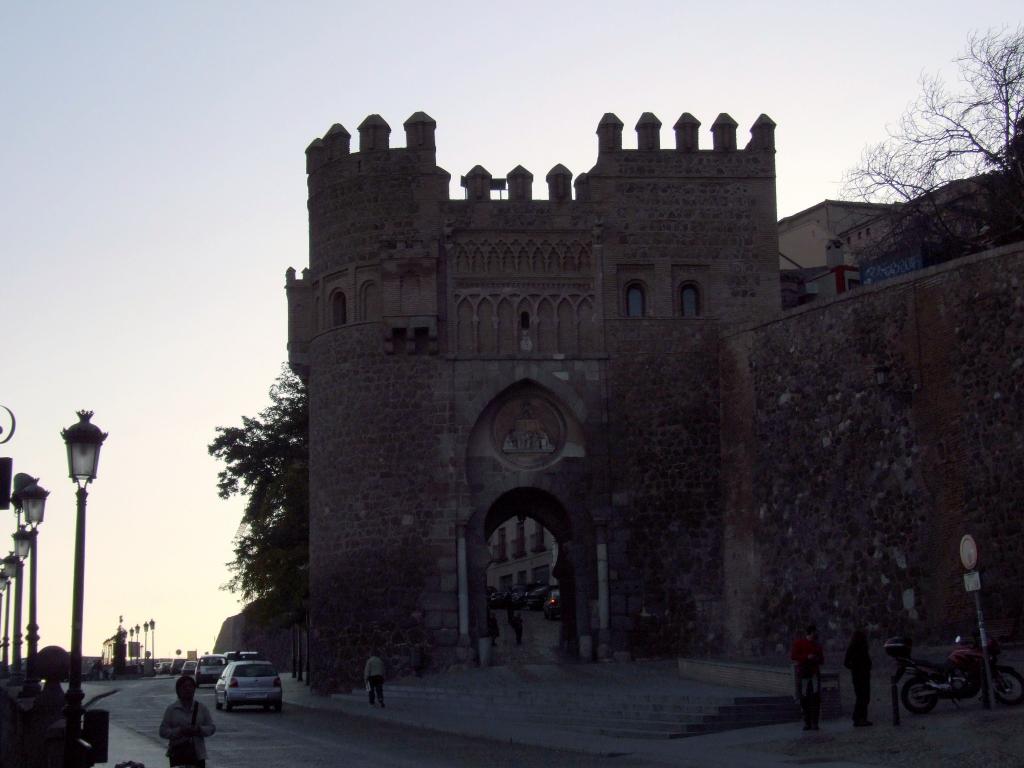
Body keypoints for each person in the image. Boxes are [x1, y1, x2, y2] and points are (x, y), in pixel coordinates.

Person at [160, 675, 215, 767]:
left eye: (190, 686)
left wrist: (199, 729)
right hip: (177, 755)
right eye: (184, 687)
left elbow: (211, 728)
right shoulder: (172, 709)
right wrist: (179, 731)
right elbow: (163, 731)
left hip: (198, 755)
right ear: (178, 690)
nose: (188, 689)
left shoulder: (201, 708)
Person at [790, 624, 824, 731]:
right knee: (805, 699)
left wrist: (815, 658)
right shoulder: (799, 643)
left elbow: (822, 660)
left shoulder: (817, 645)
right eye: (815, 632)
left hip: (813, 674)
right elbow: (793, 656)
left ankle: (814, 722)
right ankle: (808, 722)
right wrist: (806, 657)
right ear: (811, 632)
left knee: (815, 698)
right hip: (804, 674)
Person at [844, 628, 873, 726]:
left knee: (863, 697)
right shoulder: (858, 647)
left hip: (861, 674)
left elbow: (846, 662)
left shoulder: (859, 647)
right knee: (862, 697)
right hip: (860, 674)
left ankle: (861, 718)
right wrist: (856, 668)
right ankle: (859, 718)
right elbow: (846, 662)